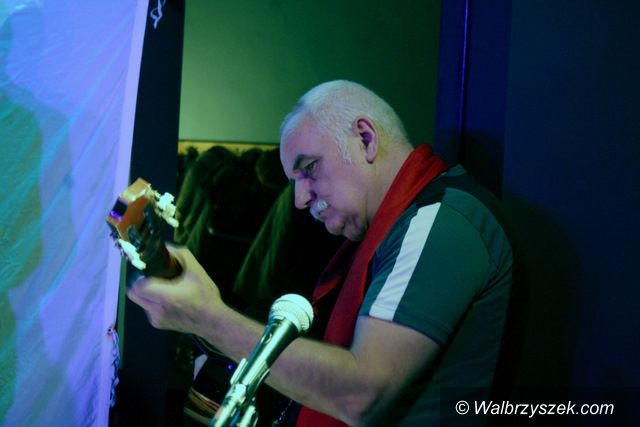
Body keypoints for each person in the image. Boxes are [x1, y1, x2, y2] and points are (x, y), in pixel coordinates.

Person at [127, 80, 519, 426]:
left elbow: (360, 395)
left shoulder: (440, 220)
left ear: (365, 138)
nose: (300, 199)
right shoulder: (386, 232)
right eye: (294, 181)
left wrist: (209, 319)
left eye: (310, 168)